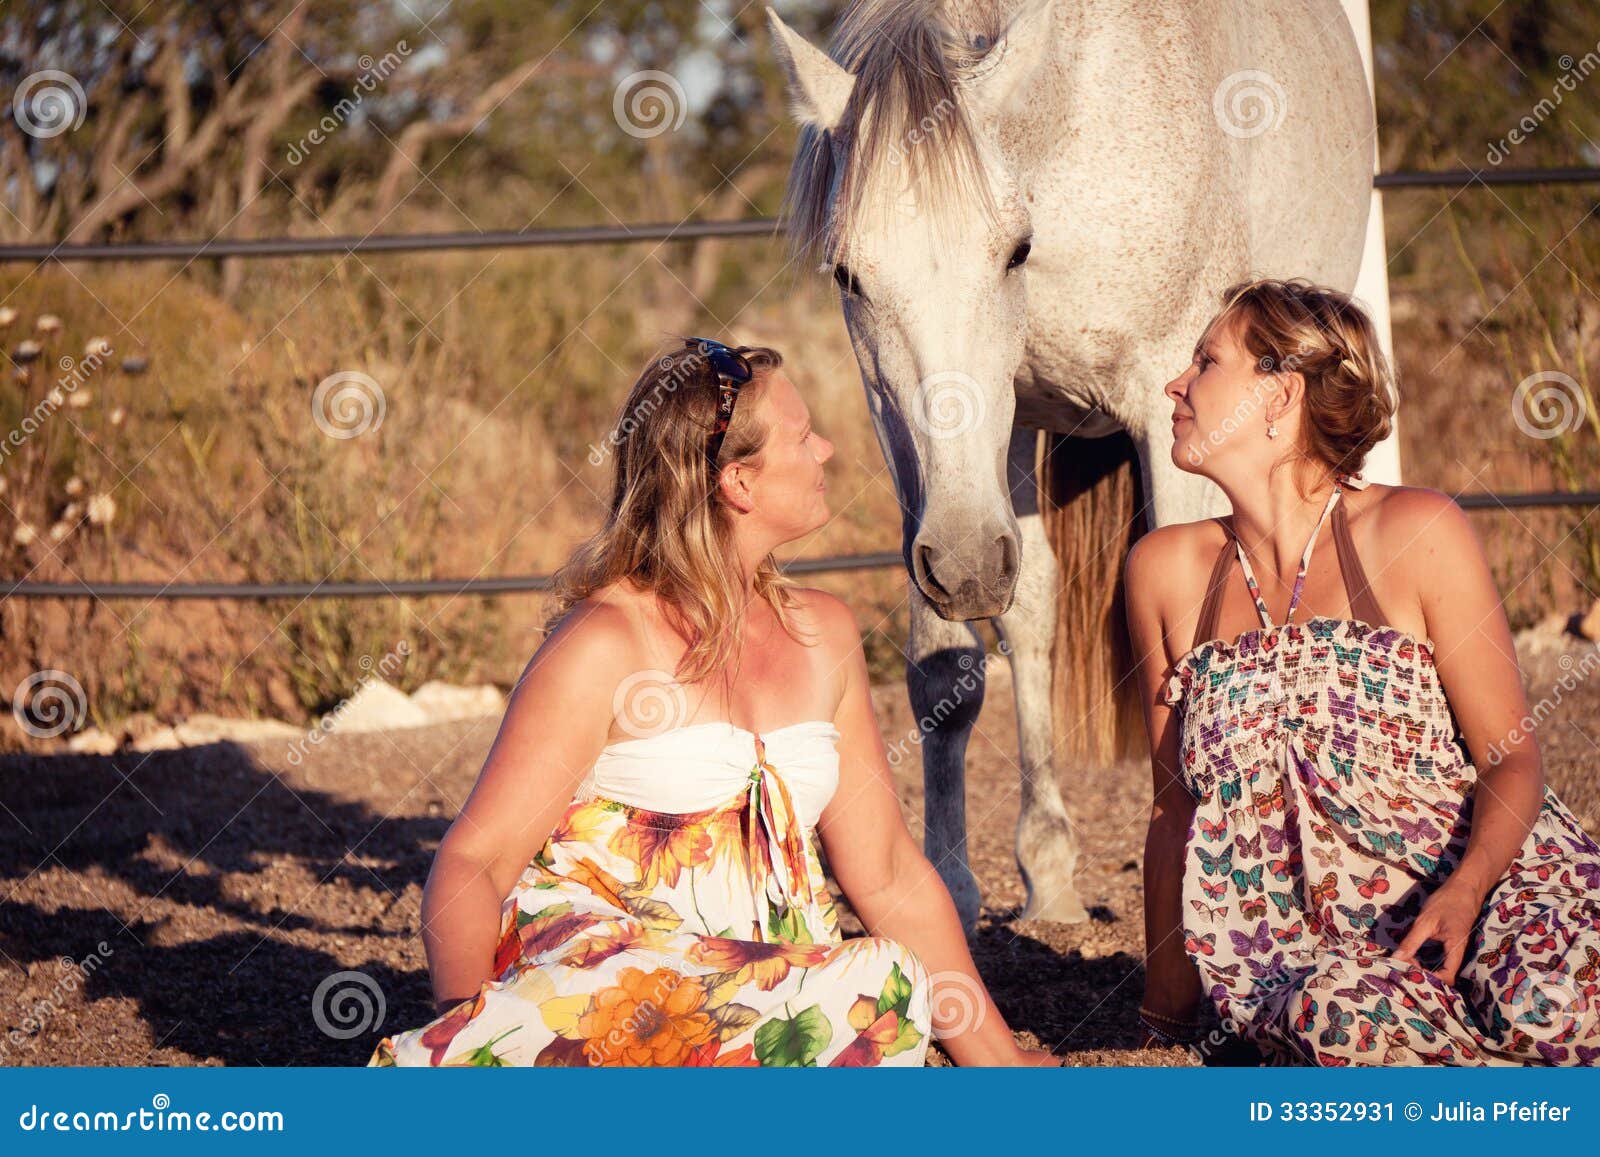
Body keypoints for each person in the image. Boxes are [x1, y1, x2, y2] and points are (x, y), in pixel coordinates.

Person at [369, 338, 1058, 1067]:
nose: (825, 449)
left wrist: (1003, 1064)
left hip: (763, 992)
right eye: (802, 436)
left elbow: (886, 868)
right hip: (599, 977)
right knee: (685, 1002)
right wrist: (467, 1032)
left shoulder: (823, 631)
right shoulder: (604, 641)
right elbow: (473, 860)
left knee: (882, 979)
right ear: (738, 483)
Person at [1125, 278, 1600, 1066]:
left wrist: (1466, 890)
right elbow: (1174, 810)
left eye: (1205, 362)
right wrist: (1164, 1021)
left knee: (1562, 996)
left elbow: (1509, 756)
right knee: (1341, 1018)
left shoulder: (1415, 530)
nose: (1175, 384)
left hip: (1488, 881)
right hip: (1323, 956)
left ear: (1279, 396)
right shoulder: (1164, 571)